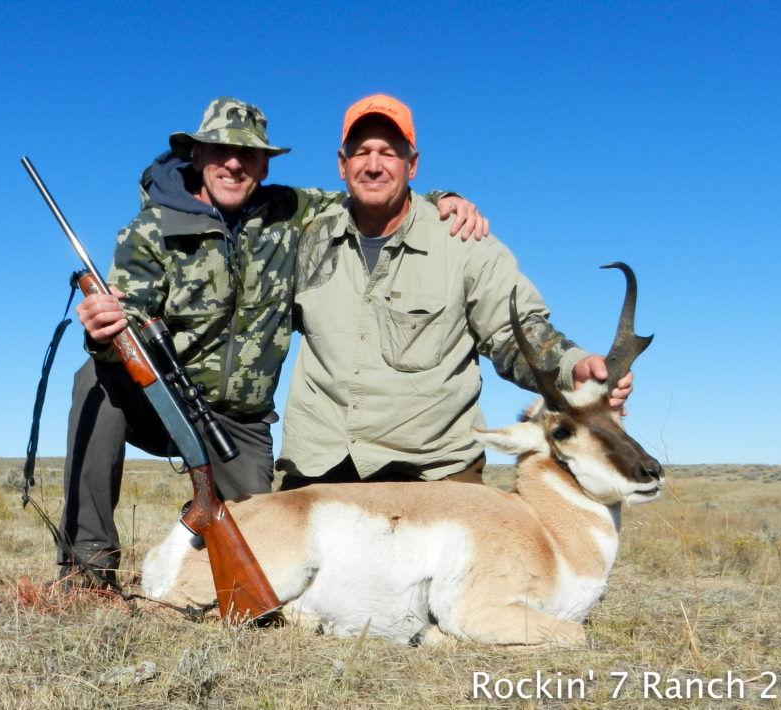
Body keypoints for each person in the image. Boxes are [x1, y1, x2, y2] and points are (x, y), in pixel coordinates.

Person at [56, 96, 486, 587]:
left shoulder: (291, 211)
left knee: (259, 555)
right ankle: (86, 567)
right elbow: (126, 323)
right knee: (95, 378)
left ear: (264, 164)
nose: (234, 163)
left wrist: (443, 199)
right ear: (196, 156)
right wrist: (104, 331)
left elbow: (371, 193)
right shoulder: (148, 231)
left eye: (248, 154)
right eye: (219, 150)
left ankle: (186, 547)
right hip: (162, 398)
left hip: (239, 423)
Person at [276, 94, 633, 489]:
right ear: (342, 166)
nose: (374, 165)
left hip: (432, 469)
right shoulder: (305, 239)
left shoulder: (464, 241)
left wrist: (572, 367)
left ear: (412, 165)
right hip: (321, 466)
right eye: (361, 153)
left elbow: (514, 333)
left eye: (389, 153)